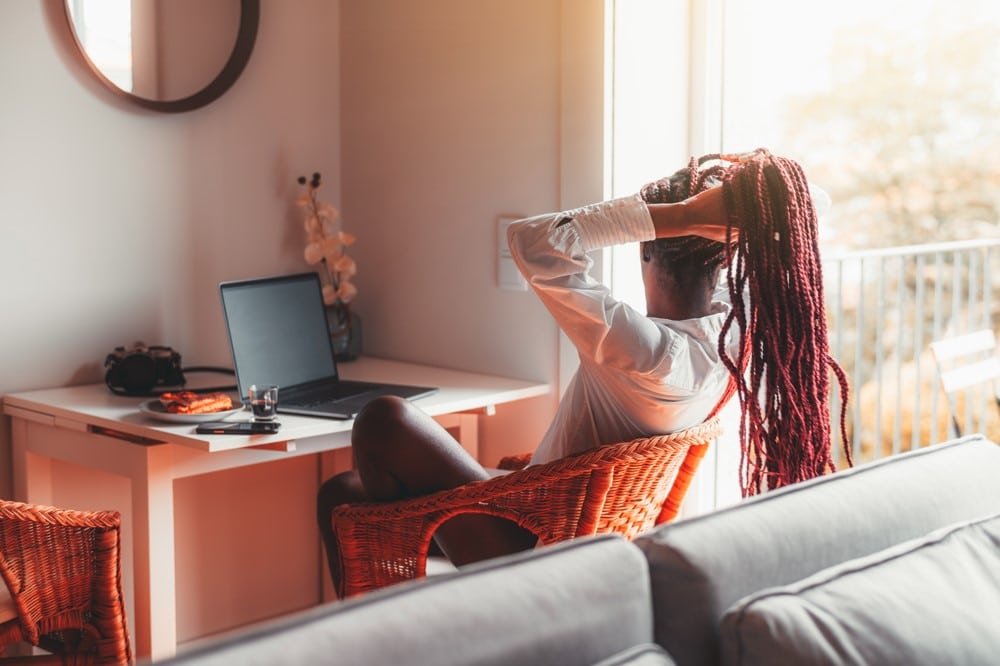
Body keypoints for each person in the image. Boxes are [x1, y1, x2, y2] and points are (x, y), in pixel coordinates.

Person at [316, 162, 743, 594]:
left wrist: (682, 216)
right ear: (725, 258)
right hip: (574, 530)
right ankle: (399, 601)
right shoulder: (732, 340)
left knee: (385, 420)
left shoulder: (643, 351)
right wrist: (736, 209)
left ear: (645, 249)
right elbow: (816, 203)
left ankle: (407, 601)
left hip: (536, 541)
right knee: (343, 492)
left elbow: (533, 239)